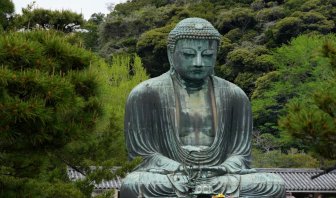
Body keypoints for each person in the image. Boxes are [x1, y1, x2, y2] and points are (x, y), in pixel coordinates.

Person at [120, 17, 285, 198]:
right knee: (135, 184)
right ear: (170, 53)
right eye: (189, 55)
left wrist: (222, 169)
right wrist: (180, 169)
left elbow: (241, 155)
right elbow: (143, 156)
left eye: (207, 55)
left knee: (272, 184)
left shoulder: (235, 95)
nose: (198, 62)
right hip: (172, 177)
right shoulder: (146, 93)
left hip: (221, 177)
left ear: (216, 55)